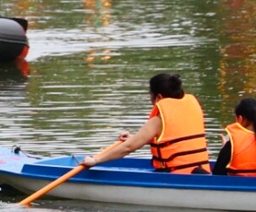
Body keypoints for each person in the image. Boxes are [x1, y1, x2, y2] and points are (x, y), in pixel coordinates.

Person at [68, 72, 210, 175]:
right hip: (202, 172)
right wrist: (136, 138)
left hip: (176, 176)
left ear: (158, 97)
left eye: (150, 95)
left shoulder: (158, 120)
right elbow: (175, 141)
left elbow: (128, 148)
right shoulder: (190, 109)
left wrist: (95, 161)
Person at [214, 97, 256, 177]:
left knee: (197, 170)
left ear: (240, 119)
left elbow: (217, 173)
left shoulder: (233, 144)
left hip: (237, 185)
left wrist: (225, 149)